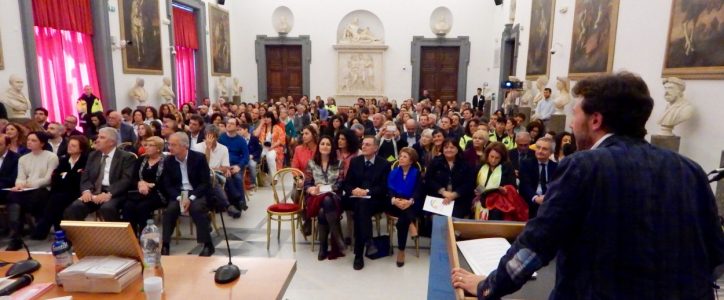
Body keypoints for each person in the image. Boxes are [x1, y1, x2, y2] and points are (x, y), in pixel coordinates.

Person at [453, 72, 724, 299]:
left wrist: (487, 285)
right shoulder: (691, 170)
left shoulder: (584, 166)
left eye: (575, 113)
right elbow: (715, 254)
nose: (571, 123)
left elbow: (536, 244)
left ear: (595, 120)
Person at [160, 132, 215, 257]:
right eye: (169, 144)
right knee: (170, 211)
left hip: (196, 192)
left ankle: (207, 244)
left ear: (185, 146)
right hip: (179, 193)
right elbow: (167, 185)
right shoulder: (168, 161)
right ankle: (165, 244)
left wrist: (190, 198)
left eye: (173, 145)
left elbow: (205, 183)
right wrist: (180, 198)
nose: (170, 148)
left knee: (197, 209)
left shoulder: (199, 158)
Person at [64, 127, 136, 222]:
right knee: (74, 207)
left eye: (102, 138)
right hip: (94, 191)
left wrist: (108, 193)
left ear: (112, 142)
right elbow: (86, 176)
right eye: (98, 137)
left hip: (115, 193)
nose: (97, 140)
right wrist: (86, 191)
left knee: (107, 208)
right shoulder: (93, 155)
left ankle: (115, 236)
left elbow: (126, 180)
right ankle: (80, 236)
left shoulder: (126, 157)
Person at [5, 132, 59, 250]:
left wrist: (30, 184)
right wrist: (19, 185)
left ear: (42, 143)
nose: (29, 142)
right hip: (26, 189)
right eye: (28, 140)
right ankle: (15, 237)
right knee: (13, 197)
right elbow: (20, 177)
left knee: (34, 196)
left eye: (34, 140)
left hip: (43, 189)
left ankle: (34, 228)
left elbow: (48, 179)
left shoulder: (51, 157)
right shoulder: (23, 158)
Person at [343, 136, 390, 270]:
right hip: (355, 198)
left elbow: (383, 187)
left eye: (367, 145)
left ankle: (359, 254)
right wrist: (354, 190)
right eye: (362, 144)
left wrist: (367, 192)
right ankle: (368, 241)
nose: (363, 147)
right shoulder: (355, 161)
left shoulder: (384, 164)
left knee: (361, 209)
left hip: (374, 200)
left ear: (375, 148)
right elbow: (347, 183)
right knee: (361, 207)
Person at [31, 135, 88, 240]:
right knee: (52, 197)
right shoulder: (64, 160)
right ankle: (58, 230)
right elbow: (56, 178)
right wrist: (71, 174)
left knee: (56, 199)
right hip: (61, 191)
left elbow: (79, 180)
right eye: (69, 145)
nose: (70, 147)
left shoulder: (86, 160)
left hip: (78, 191)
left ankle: (44, 230)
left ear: (81, 149)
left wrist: (65, 175)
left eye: (74, 146)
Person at [304, 136, 345, 260]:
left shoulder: (339, 163)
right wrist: (313, 189)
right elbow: (307, 184)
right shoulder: (311, 163)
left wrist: (329, 187)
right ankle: (337, 237)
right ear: (319, 146)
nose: (325, 146)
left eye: (328, 144)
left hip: (334, 197)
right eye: (322, 144)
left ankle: (323, 247)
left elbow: (340, 183)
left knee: (324, 207)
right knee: (324, 203)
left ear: (332, 148)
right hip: (315, 197)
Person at [192, 125, 241, 218]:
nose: (209, 139)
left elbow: (225, 168)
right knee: (209, 178)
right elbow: (202, 167)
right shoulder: (197, 147)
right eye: (207, 136)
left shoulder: (223, 148)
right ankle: (227, 205)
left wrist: (212, 170)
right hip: (200, 177)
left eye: (212, 137)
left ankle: (210, 213)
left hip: (218, 176)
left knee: (211, 177)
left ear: (217, 137)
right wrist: (208, 149)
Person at [122, 137, 167, 236]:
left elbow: (166, 182)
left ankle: (145, 237)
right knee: (128, 206)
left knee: (143, 207)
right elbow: (133, 178)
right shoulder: (141, 159)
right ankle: (131, 237)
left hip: (158, 192)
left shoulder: (166, 161)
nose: (146, 148)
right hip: (140, 191)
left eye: (151, 145)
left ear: (158, 148)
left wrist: (150, 185)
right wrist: (140, 183)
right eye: (146, 145)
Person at [387, 147, 423, 267]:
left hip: (411, 204)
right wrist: (395, 200)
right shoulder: (393, 172)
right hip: (394, 203)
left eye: (405, 157)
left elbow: (418, 191)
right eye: (400, 156)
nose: (401, 159)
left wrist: (410, 201)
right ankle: (411, 225)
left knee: (402, 222)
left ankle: (401, 251)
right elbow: (389, 190)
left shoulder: (416, 173)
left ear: (411, 160)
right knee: (405, 215)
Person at [425, 139, 474, 218]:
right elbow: (428, 179)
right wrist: (442, 191)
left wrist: (454, 194)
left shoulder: (465, 164)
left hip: (459, 199)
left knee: (454, 218)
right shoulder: (435, 162)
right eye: (446, 147)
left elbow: (469, 183)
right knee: (437, 219)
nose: (449, 150)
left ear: (457, 149)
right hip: (438, 197)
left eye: (452, 147)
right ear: (442, 150)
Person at [472, 142, 517, 221]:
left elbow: (512, 186)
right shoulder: (481, 165)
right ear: (487, 155)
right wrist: (479, 191)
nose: (493, 160)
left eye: (497, 158)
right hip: (481, 198)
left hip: (499, 202)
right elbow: (473, 183)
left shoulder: (507, 167)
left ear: (502, 158)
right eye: (491, 157)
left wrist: (504, 189)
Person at [518, 136, 557, 219]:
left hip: (549, 201)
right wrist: (535, 198)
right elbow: (525, 186)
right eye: (538, 148)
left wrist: (547, 197)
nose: (540, 151)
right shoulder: (526, 164)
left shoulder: (556, 167)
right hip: (531, 200)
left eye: (544, 149)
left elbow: (556, 187)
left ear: (551, 152)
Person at [217, 117, 249, 211]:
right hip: (223, 166)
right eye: (228, 123)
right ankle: (239, 201)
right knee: (228, 178)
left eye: (232, 123)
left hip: (236, 165)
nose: (229, 125)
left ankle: (240, 203)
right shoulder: (221, 138)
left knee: (238, 178)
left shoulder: (241, 140)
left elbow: (246, 156)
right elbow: (217, 154)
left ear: (237, 127)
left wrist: (239, 166)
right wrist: (224, 167)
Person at [255, 112, 285, 180]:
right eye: (264, 117)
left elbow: (281, 139)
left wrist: (272, 146)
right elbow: (255, 135)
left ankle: (274, 177)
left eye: (267, 117)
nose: (265, 119)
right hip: (263, 147)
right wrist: (261, 124)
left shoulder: (277, 127)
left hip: (275, 147)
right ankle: (259, 178)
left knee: (270, 157)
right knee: (257, 156)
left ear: (271, 118)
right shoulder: (262, 128)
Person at [239, 123, 261, 188]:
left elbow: (258, 150)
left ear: (246, 130)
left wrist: (252, 156)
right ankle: (240, 182)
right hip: (242, 157)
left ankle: (253, 183)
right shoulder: (239, 139)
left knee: (252, 165)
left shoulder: (254, 138)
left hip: (252, 157)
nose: (239, 131)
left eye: (240, 130)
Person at [0, 135, 19, 206]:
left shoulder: (16, 159)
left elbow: (12, 179)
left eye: (0, 144)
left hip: (6, 190)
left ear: (8, 146)